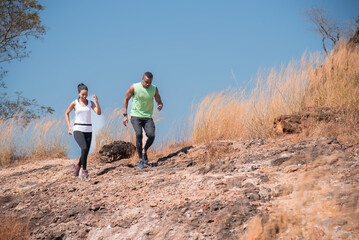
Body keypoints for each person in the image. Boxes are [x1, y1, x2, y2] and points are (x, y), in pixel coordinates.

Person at [123, 72, 163, 169]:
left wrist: (160, 104)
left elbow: (157, 97)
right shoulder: (134, 87)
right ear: (142, 79)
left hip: (147, 117)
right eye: (146, 82)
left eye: (149, 82)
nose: (147, 84)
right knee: (139, 134)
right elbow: (126, 99)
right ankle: (141, 160)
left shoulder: (154, 88)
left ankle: (144, 150)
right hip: (135, 116)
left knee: (151, 135)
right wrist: (125, 115)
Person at [65, 83, 101, 178]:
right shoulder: (74, 103)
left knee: (85, 151)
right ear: (78, 93)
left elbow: (98, 112)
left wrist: (97, 102)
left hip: (88, 129)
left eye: (86, 94)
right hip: (78, 129)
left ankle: (77, 166)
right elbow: (66, 113)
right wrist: (69, 127)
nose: (84, 96)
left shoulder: (90, 103)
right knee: (84, 148)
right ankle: (84, 170)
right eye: (82, 94)